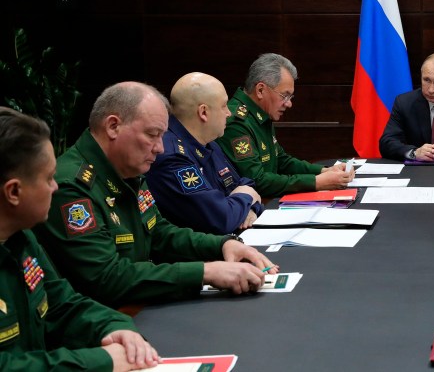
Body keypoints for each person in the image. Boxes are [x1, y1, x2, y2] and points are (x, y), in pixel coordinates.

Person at [33, 82, 278, 308]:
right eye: (152, 135)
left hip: (138, 307)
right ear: (113, 126)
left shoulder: (128, 168)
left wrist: (223, 244)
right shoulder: (71, 187)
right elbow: (106, 279)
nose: (160, 147)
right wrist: (205, 272)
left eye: (162, 135)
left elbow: (158, 233)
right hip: (108, 320)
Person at [0, 107, 159, 371]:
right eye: (49, 177)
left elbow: (63, 305)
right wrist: (100, 361)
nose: (55, 186)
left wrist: (114, 327)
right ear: (14, 191)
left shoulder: (21, 237)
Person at [217, 53, 353, 198]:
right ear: (260, 90)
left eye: (290, 97)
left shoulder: (261, 113)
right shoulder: (236, 122)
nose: (289, 103)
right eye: (284, 96)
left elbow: (281, 161)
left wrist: (324, 171)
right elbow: (257, 181)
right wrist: (316, 182)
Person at [145, 72, 264, 234]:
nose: (229, 113)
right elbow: (221, 219)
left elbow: (245, 184)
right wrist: (247, 198)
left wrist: (250, 208)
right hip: (196, 254)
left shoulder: (209, 143)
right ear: (203, 112)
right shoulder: (171, 155)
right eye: (224, 106)